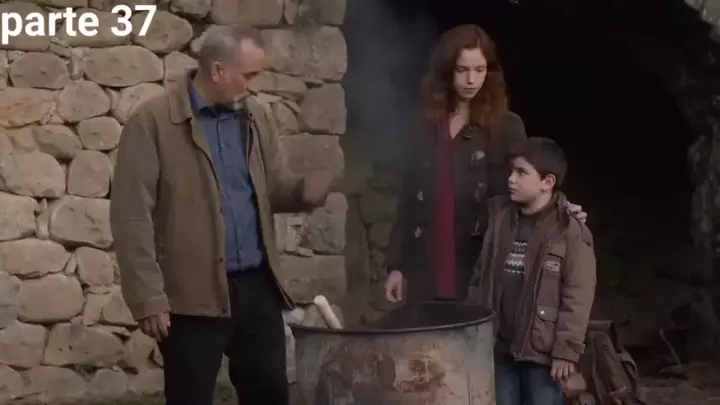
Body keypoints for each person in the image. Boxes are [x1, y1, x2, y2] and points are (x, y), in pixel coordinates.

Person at [109, 24, 333, 405]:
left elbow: (274, 187)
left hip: (257, 288)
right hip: (190, 296)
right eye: (248, 76)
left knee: (270, 394)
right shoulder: (153, 122)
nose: (253, 86)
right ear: (217, 71)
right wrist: (148, 297)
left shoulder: (256, 117)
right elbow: (131, 217)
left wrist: (302, 193)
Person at [384, 24, 586, 304]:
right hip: (426, 262)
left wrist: (560, 208)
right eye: (462, 69)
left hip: (480, 261)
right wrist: (397, 266)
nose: (471, 80)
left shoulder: (505, 126)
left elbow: (530, 176)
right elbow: (409, 198)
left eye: (479, 70)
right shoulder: (426, 124)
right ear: (446, 70)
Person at [466, 137, 597, 405]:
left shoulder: (570, 231)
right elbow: (480, 279)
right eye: (511, 171)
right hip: (499, 348)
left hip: (543, 356)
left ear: (547, 182)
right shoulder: (499, 221)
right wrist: (473, 333)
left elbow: (578, 297)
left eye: (521, 173)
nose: (511, 179)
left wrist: (566, 352)